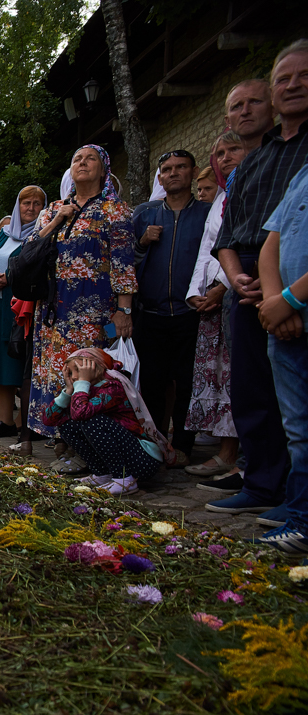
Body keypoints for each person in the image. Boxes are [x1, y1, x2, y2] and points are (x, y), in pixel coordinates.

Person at [210, 44, 308, 520]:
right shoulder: (249, 163)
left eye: (302, 77)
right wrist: (234, 277)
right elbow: (227, 235)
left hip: (296, 271)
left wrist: (280, 295)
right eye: (283, 79)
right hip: (247, 276)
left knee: (297, 387)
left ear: (266, 107)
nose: (293, 86)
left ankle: (299, 497)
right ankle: (263, 481)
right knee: (251, 385)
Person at [26, 145, 136, 450]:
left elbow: (123, 262)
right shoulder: (53, 210)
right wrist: (58, 218)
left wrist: (124, 310)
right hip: (53, 309)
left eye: (90, 159)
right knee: (56, 371)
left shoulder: (116, 211)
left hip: (95, 311)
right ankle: (64, 437)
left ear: (104, 170)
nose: (82, 163)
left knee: (86, 372)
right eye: (77, 159)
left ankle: (86, 442)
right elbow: (31, 249)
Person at [132, 149, 211, 463]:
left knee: (188, 382)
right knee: (151, 383)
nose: (173, 173)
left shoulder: (207, 213)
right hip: (150, 313)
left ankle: (184, 447)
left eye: (180, 167)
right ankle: (154, 444)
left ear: (192, 172)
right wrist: (142, 242)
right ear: (159, 177)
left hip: (193, 313)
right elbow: (124, 262)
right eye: (166, 169)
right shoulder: (144, 213)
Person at [185, 131, 249, 482]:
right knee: (219, 377)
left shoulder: (251, 189)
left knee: (241, 375)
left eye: (233, 150)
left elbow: (245, 244)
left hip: (237, 290)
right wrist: (196, 291)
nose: (225, 158)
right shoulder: (222, 198)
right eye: (219, 152)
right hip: (210, 299)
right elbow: (209, 248)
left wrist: (223, 287)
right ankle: (226, 453)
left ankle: (247, 460)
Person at [255, 160, 308, 553]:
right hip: (283, 316)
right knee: (299, 428)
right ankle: (301, 516)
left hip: (292, 305)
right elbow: (273, 241)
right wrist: (276, 302)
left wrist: (288, 300)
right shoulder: (300, 174)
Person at [41, 349, 170, 496]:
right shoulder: (80, 389)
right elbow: (49, 419)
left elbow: (81, 413)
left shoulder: (112, 387)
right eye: (70, 372)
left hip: (142, 459)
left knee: (92, 421)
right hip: (124, 458)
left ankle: (124, 480)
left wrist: (82, 383)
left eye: (79, 371)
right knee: (66, 425)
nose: (75, 376)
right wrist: (68, 390)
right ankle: (102, 474)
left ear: (96, 369)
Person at [0, 186, 46, 438]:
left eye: (37, 203)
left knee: (23, 365)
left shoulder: (43, 232)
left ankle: (26, 421)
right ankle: (5, 420)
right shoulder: (6, 233)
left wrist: (7, 277)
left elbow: (32, 262)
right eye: (25, 203)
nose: (30, 208)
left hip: (24, 308)